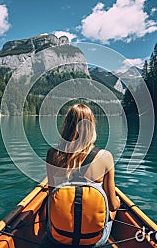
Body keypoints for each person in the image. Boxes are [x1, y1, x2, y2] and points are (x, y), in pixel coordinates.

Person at [45, 103, 120, 246]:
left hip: (58, 236)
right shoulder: (105, 157)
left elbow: (51, 197)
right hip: (94, 240)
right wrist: (118, 201)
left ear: (66, 125)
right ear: (91, 126)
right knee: (115, 208)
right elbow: (112, 205)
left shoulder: (52, 154)